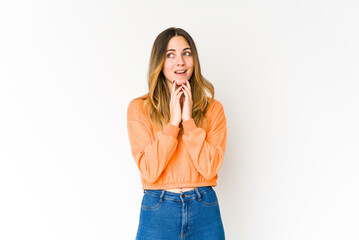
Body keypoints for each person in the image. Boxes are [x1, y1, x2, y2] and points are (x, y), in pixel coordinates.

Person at [127, 27, 227, 240]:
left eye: (186, 53)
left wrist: (188, 121)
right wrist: (173, 123)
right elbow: (149, 171)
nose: (180, 61)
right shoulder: (139, 109)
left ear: (194, 60)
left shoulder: (213, 109)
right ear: (159, 62)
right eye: (170, 54)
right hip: (158, 210)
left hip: (204, 209)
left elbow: (209, 169)